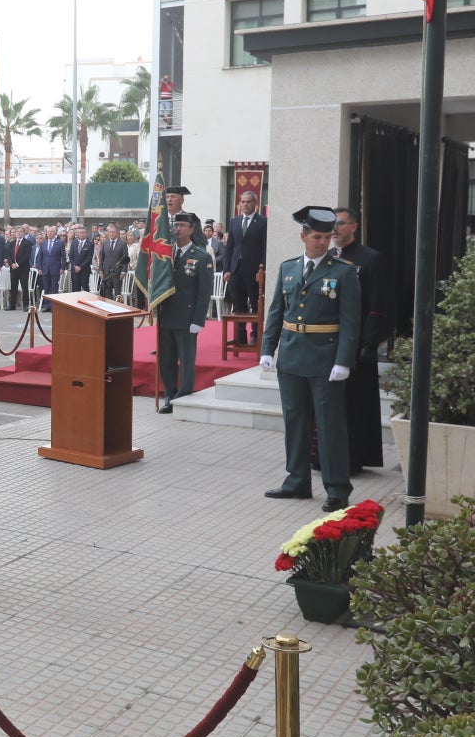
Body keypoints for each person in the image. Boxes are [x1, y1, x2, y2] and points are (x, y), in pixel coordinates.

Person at [259, 206, 361, 509]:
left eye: (327, 237)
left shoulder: (343, 271)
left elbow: (350, 321)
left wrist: (343, 360)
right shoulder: (288, 268)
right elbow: (276, 311)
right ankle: (297, 480)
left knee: (330, 426)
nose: (322, 242)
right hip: (291, 356)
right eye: (316, 236)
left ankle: (337, 489)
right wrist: (268, 348)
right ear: (303, 236)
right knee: (295, 421)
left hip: (325, 359)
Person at [329, 206, 391, 472]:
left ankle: (354, 458)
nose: (334, 229)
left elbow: (377, 304)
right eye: (332, 224)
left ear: (353, 226)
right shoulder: (328, 257)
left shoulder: (369, 258)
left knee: (354, 404)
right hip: (328, 342)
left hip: (357, 345)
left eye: (340, 224)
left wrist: (369, 342)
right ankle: (324, 456)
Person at [153, 213, 214, 413]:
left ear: (191, 229)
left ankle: (184, 394)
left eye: (181, 225)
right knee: (166, 359)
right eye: (175, 224)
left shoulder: (201, 256)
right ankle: (170, 394)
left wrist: (199, 319)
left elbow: (204, 292)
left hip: (187, 318)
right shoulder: (165, 255)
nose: (177, 228)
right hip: (167, 315)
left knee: (186, 359)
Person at [224, 190, 268, 342]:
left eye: (248, 201)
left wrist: (262, 269)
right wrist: (227, 269)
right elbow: (230, 247)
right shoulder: (235, 221)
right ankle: (239, 335)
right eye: (243, 201)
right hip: (236, 269)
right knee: (238, 303)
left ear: (255, 204)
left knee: (256, 303)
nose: (245, 204)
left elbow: (265, 247)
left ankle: (255, 335)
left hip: (254, 270)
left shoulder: (263, 222)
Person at [94, 223, 129, 299]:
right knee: (107, 292)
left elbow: (125, 259)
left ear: (117, 233)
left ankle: (117, 309)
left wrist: (123, 271)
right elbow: (101, 258)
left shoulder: (123, 244)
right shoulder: (105, 244)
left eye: (113, 232)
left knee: (117, 293)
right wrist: (100, 270)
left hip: (118, 272)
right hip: (107, 272)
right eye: (110, 232)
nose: (111, 234)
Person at [7, 225, 36, 310]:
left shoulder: (27, 243)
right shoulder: (11, 243)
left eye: (20, 231)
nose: (19, 233)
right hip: (13, 268)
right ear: (15, 233)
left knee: (24, 286)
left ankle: (26, 305)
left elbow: (26, 256)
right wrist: (12, 263)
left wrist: (17, 264)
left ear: (23, 233)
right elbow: (9, 255)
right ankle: (12, 305)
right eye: (17, 232)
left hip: (23, 268)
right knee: (13, 286)